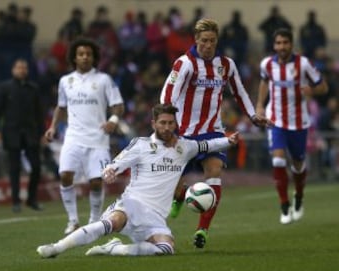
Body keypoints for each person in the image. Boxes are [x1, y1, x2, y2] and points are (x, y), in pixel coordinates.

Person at [36, 103, 239, 258]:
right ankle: (57, 247)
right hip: (131, 205)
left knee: (166, 249)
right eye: (162, 123)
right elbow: (116, 164)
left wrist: (228, 141)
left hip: (156, 217)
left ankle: (115, 249)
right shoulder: (140, 145)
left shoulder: (185, 147)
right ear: (154, 124)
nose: (167, 127)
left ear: (175, 124)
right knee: (112, 222)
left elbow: (207, 145)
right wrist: (110, 171)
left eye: (170, 123)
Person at [160, 18, 271, 248]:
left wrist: (253, 115)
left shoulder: (226, 64)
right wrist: (168, 125)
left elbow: (239, 91)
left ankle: (203, 230)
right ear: (196, 40)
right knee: (176, 184)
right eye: (204, 41)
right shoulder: (185, 63)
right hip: (184, 133)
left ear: (217, 40)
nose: (208, 45)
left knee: (214, 172)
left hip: (213, 132)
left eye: (212, 41)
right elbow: (167, 95)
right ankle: (179, 197)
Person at [44, 38, 124, 235]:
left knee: (96, 182)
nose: (85, 57)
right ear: (74, 57)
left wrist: (113, 120)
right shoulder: (65, 81)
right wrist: (53, 127)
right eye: (81, 54)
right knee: (64, 175)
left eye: (88, 54)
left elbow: (118, 105)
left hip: (98, 139)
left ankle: (94, 220)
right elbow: (61, 107)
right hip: (73, 137)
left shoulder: (104, 79)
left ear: (94, 57)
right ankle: (72, 221)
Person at [255, 28, 328, 225]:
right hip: (275, 119)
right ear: (274, 45)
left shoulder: (303, 64)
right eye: (278, 43)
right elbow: (264, 82)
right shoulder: (267, 64)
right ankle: (284, 205)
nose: (281, 47)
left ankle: (299, 195)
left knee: (298, 163)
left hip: (298, 122)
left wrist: (311, 89)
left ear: (291, 44)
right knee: (278, 161)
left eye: (285, 43)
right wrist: (260, 105)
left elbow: (323, 86)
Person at [0, 58, 44, 212]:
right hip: (11, 133)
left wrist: (42, 132)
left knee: (36, 166)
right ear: (13, 70)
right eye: (19, 67)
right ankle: (15, 201)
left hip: (30, 133)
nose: (22, 70)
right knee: (14, 169)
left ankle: (31, 199)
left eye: (24, 68)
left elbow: (39, 113)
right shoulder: (4, 88)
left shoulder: (33, 88)